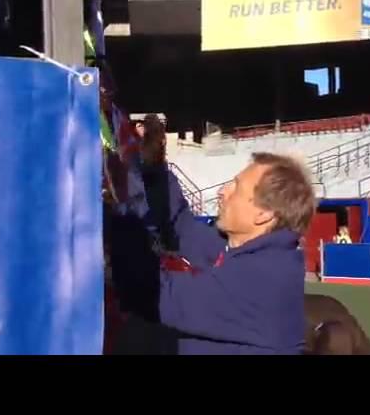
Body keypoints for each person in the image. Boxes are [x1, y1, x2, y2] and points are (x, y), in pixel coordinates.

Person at [120, 151, 316, 354]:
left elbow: (149, 293)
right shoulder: (250, 252)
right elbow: (182, 226)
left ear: (263, 214)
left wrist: (117, 211)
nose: (222, 191)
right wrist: (156, 165)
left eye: (236, 188)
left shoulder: (263, 277)